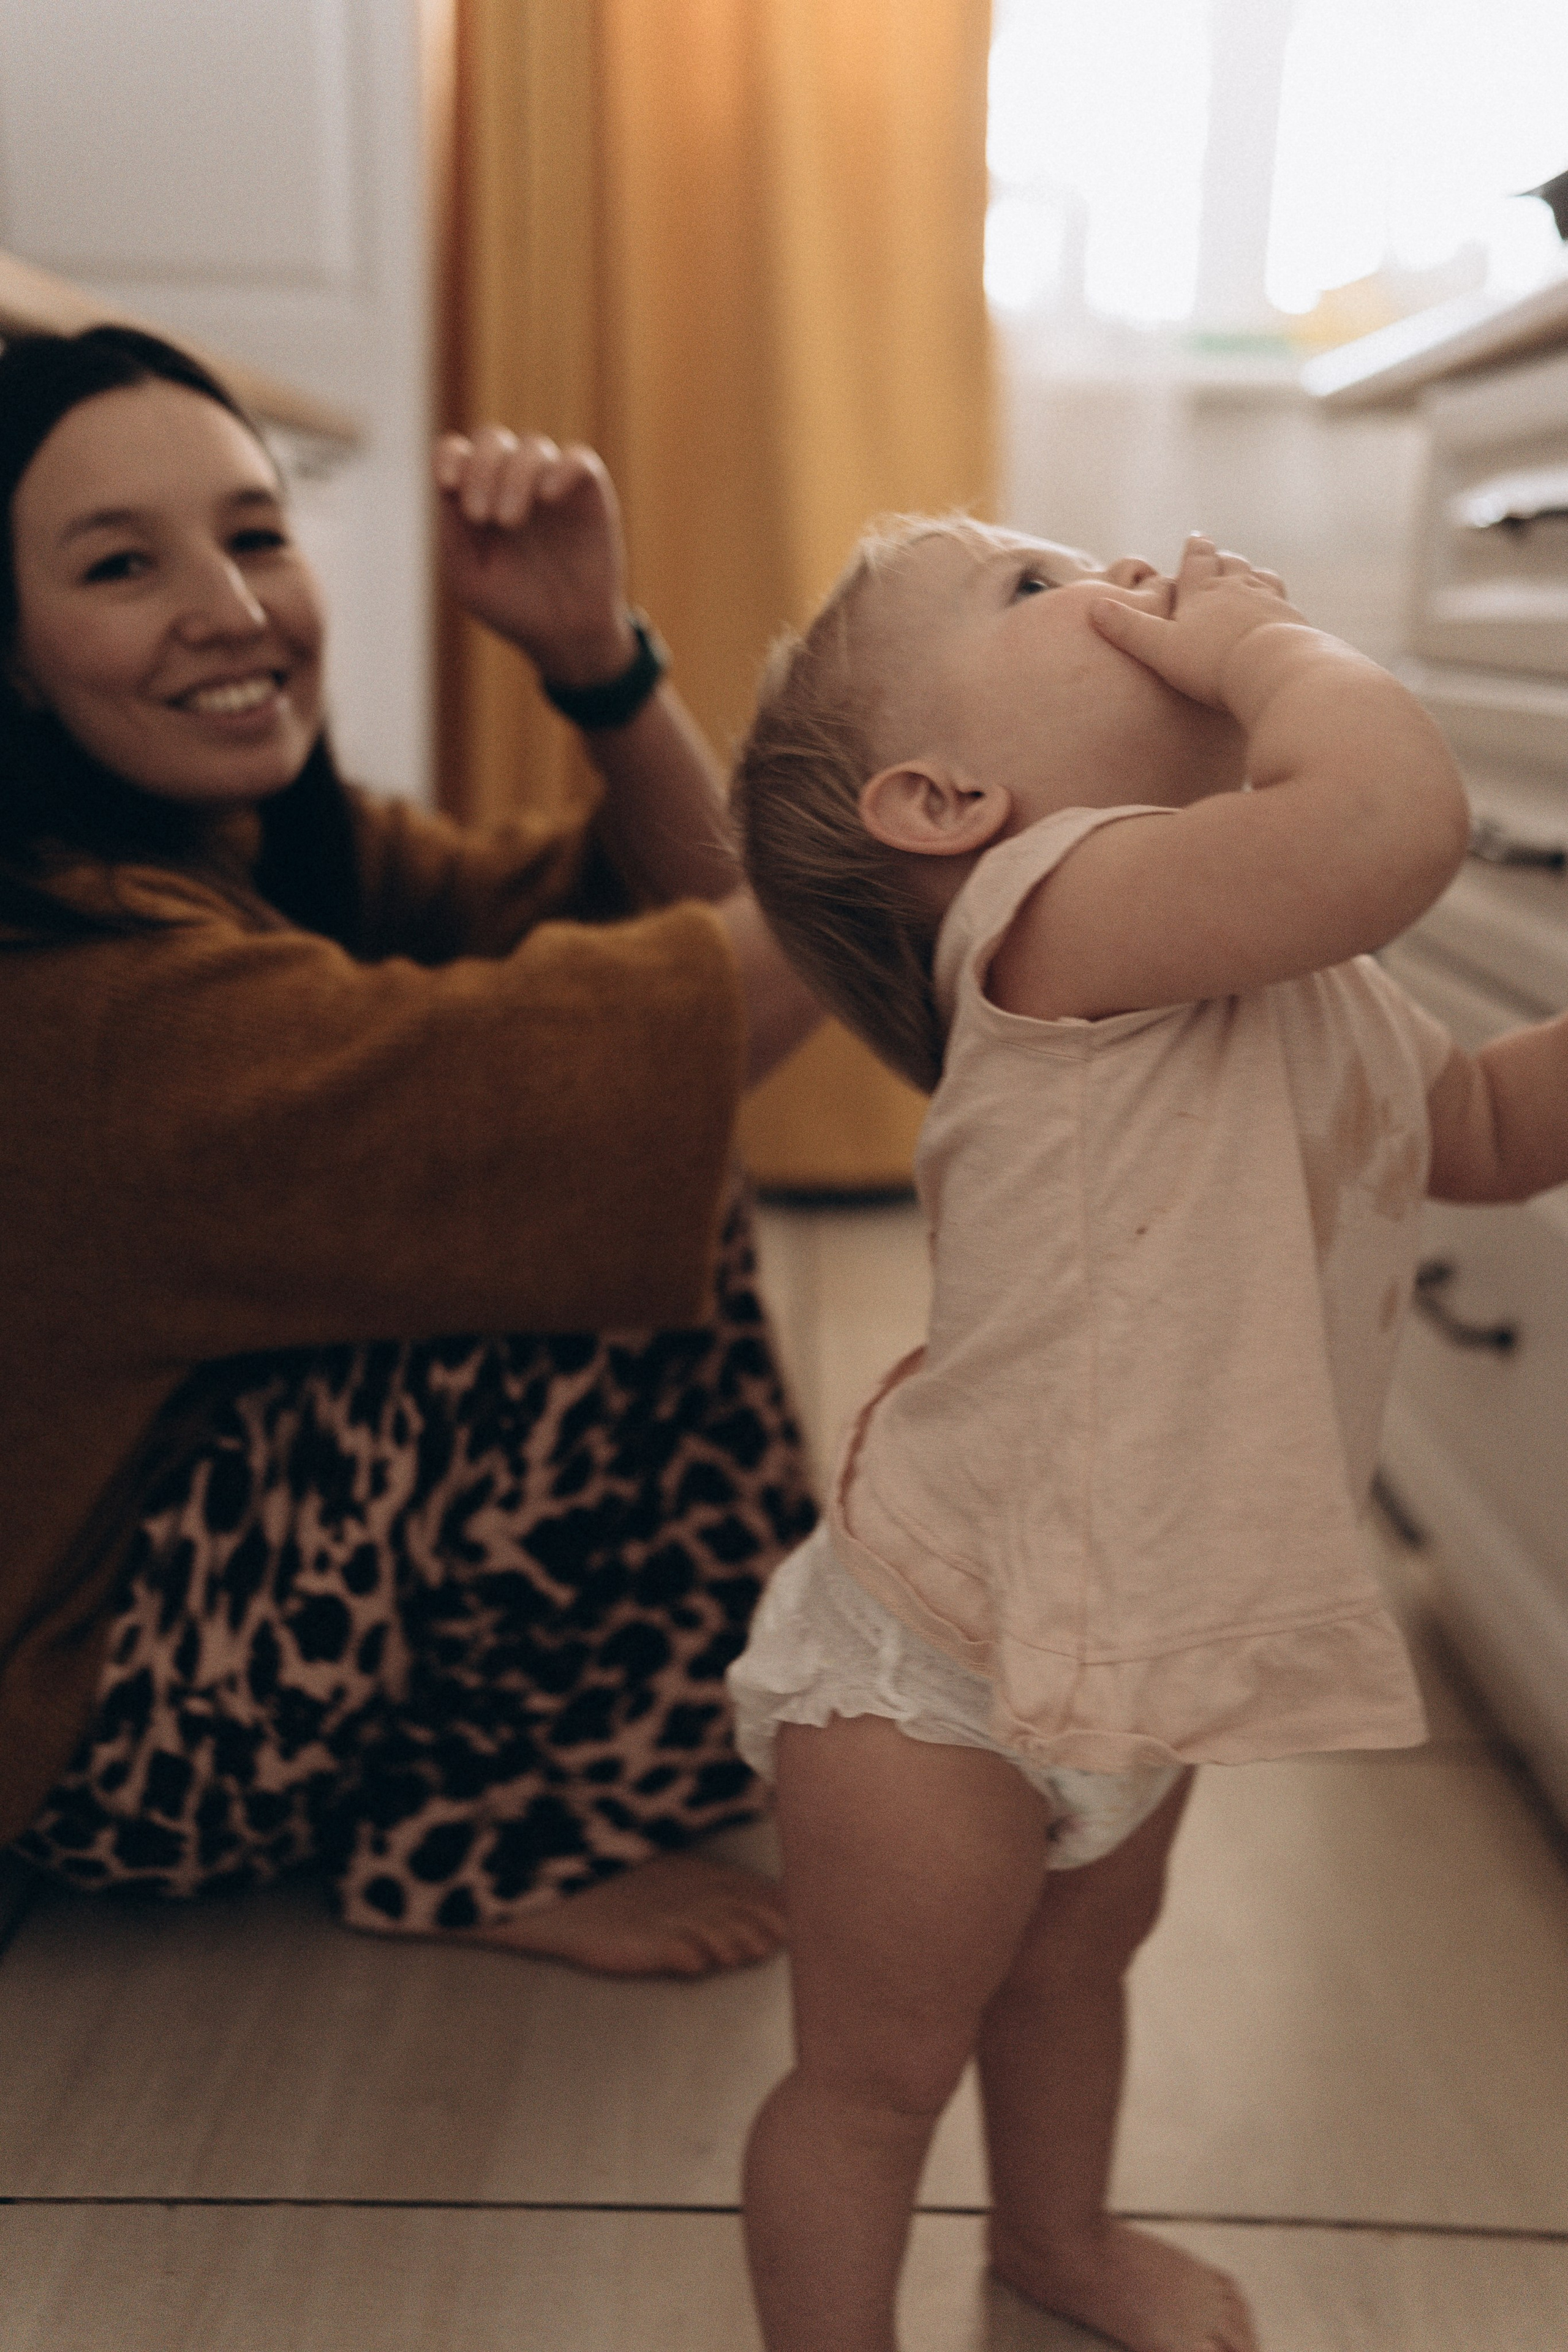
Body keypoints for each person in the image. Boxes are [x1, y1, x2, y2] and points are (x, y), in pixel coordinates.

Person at [725, 517, 1568, 2352]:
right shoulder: (1057, 912)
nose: (1136, 574)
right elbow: (1387, 822)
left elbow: (1485, 1134)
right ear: (951, 805)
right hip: (936, 1662)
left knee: (1078, 1973)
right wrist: (1268, 654)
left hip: (1145, 1622)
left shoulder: (1291, 968)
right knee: (875, 2074)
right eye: (1041, 588)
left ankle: (1054, 2239)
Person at [0, 322, 824, 1979]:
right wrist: (970, 843)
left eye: (254, 534)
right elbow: (608, 1061)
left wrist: (600, 661)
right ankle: (480, 1843)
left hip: (177, 1621)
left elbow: (687, 904)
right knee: (567, 1170)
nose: (233, 613)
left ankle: (542, 1772)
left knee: (604, 1146)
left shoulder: (221, 837)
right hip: (90, 1752)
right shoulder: (68, 988)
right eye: (117, 565)